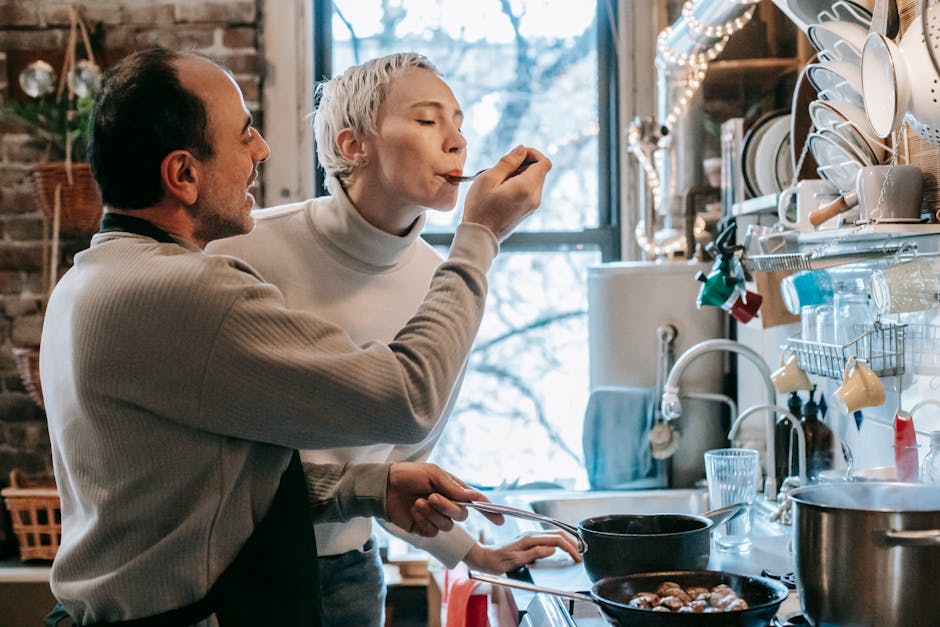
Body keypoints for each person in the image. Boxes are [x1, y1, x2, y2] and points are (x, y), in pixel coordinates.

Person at [39, 47, 550, 626]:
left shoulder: (88, 279)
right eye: (244, 134)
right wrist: (481, 233)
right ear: (183, 174)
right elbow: (406, 400)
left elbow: (208, 487)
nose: (263, 150)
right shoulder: (193, 288)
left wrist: (368, 488)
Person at [208, 52, 580, 626]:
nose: (456, 141)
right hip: (238, 578)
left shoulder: (449, 281)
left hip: (354, 579)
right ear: (354, 144)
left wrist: (474, 553)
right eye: (429, 121)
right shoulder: (242, 252)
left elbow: (399, 467)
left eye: (458, 123)